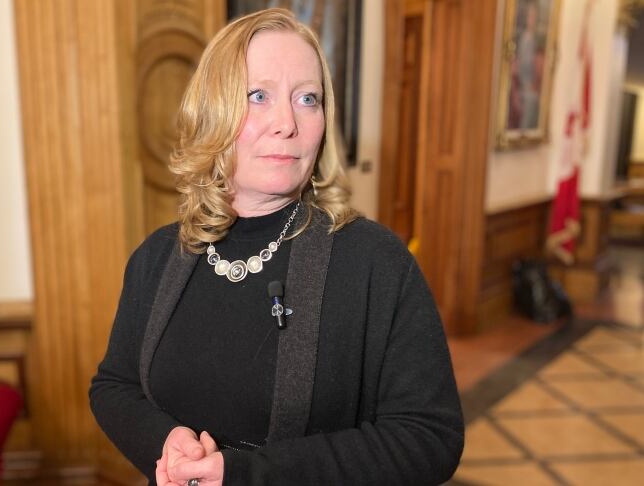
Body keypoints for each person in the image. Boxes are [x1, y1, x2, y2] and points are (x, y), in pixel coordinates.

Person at [90, 8, 463, 486]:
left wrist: (248, 475)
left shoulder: (375, 263)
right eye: (258, 96)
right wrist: (167, 442)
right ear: (212, 110)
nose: (287, 122)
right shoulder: (156, 258)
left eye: (308, 98)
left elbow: (429, 438)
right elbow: (114, 386)